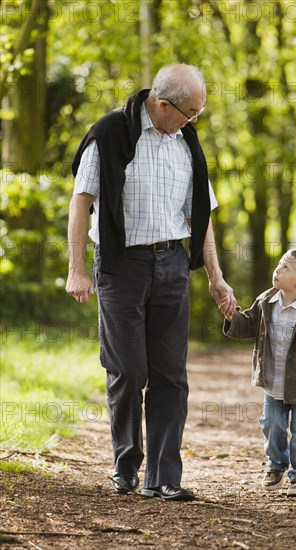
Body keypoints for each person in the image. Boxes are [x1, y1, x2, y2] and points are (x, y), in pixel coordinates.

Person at [66, 64, 235, 502]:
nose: (194, 120)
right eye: (191, 112)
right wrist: (76, 267)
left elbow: (201, 216)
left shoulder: (187, 144)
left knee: (170, 376)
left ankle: (164, 477)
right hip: (122, 266)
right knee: (128, 371)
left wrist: (216, 278)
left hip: (172, 267)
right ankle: (126, 466)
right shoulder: (110, 134)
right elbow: (81, 202)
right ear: (164, 105)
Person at [221, 248, 296, 496]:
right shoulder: (266, 301)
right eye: (279, 264)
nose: (277, 269)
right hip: (273, 382)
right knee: (271, 424)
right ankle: (276, 464)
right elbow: (248, 325)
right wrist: (232, 317)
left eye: (286, 268)